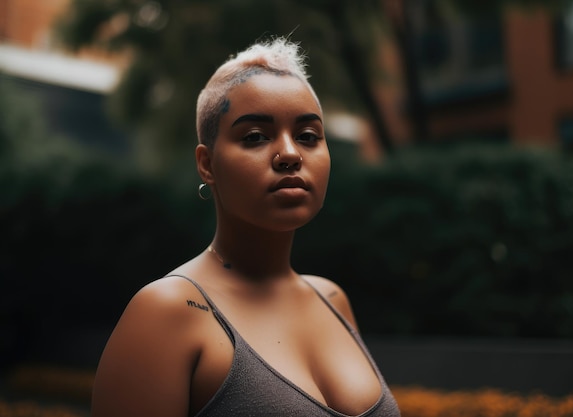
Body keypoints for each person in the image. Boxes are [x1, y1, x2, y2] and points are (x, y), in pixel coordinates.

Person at [91, 37, 401, 417]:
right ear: (207, 164)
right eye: (255, 136)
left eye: (307, 136)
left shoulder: (332, 300)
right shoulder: (169, 312)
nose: (290, 153)